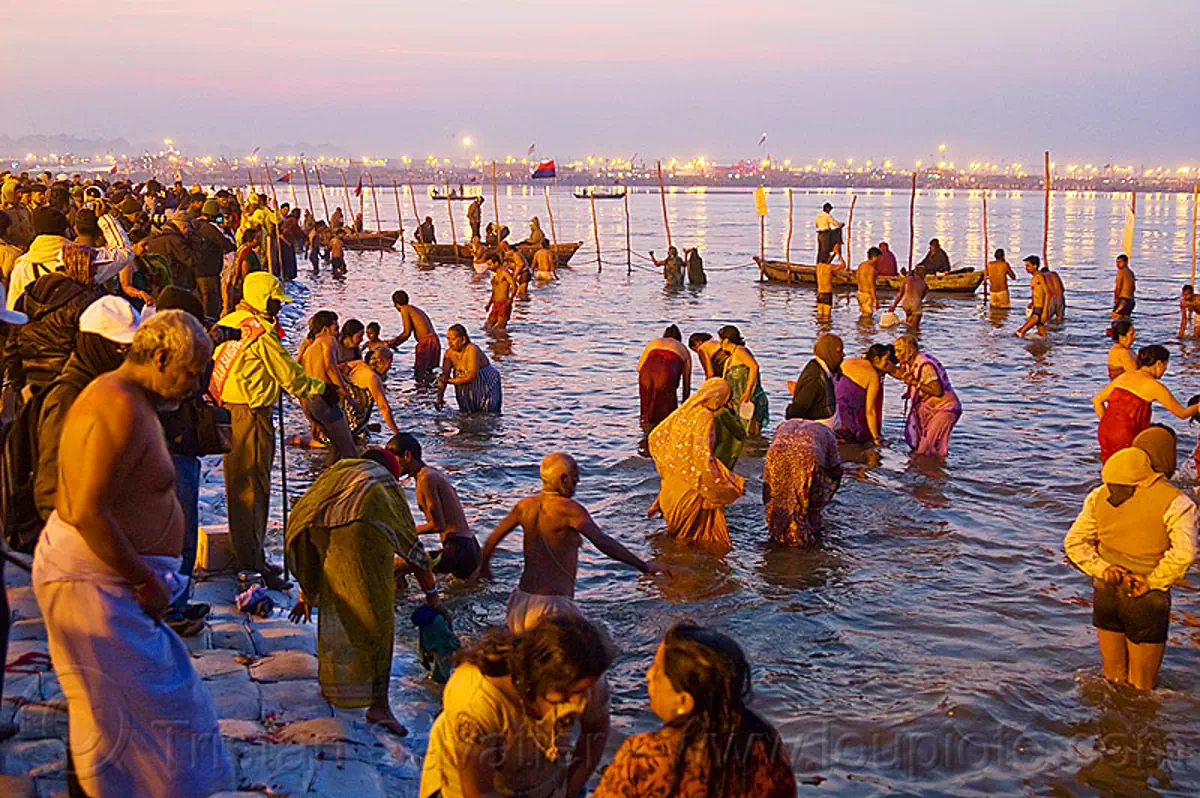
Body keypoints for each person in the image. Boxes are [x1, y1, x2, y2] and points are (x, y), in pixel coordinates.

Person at [33, 310, 234, 797]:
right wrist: (143, 578)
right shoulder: (114, 404)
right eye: (191, 372)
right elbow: (83, 507)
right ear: (161, 358)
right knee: (155, 717)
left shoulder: (132, 401)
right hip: (94, 584)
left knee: (116, 721)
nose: (197, 385)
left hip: (111, 583)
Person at [286, 450, 440, 736]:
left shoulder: (340, 471)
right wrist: (432, 595)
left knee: (339, 600)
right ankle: (378, 706)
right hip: (360, 531)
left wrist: (306, 591)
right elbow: (411, 547)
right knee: (377, 619)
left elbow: (305, 523)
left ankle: (333, 686)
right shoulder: (384, 484)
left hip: (314, 527)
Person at [214, 273, 332, 589]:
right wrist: (323, 390)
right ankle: (251, 565)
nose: (278, 309)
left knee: (240, 488)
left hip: (230, 413)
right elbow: (290, 377)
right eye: (276, 302)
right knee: (253, 490)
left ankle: (252, 556)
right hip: (251, 416)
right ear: (264, 300)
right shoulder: (260, 335)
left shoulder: (230, 323)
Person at [419, 616, 614, 798]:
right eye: (571, 694)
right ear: (539, 679)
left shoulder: (584, 674)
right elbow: (476, 791)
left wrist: (570, 791)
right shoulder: (478, 697)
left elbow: (595, 732)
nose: (582, 701)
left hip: (543, 781)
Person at [594, 624, 796, 798]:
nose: (648, 675)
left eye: (657, 669)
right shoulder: (764, 742)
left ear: (684, 701)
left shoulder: (646, 755)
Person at [1064, 426, 1197, 691]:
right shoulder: (1176, 502)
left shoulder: (1100, 494)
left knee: (1111, 678)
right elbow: (1185, 553)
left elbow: (1074, 542)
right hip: (1146, 597)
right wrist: (1152, 581)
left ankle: (1106, 726)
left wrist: (1103, 569)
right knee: (1143, 687)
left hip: (1106, 590)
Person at [478, 451, 667, 632]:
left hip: (519, 604)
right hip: (551, 607)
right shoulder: (569, 510)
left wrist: (485, 566)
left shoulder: (524, 506)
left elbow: (493, 538)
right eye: (575, 474)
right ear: (563, 479)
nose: (578, 480)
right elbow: (603, 542)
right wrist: (642, 565)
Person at [34, 296, 140, 523]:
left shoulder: (107, 387)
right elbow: (51, 484)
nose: (127, 358)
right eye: (122, 348)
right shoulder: (69, 395)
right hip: (78, 536)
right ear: (96, 344)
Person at [648, 378, 746, 548]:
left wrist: (669, 465)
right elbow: (703, 455)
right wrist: (721, 482)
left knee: (673, 541)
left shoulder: (684, 411)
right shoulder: (705, 416)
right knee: (698, 540)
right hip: (690, 487)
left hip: (671, 486)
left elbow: (655, 436)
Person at [388, 433, 480, 579]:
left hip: (457, 550)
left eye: (393, 460)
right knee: (462, 596)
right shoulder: (431, 473)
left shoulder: (426, 479)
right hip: (470, 547)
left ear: (407, 456)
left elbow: (438, 525)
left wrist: (404, 532)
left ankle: (400, 601)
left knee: (394, 567)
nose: (391, 466)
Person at [1093, 344, 1198, 463]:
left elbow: (1097, 400)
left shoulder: (1124, 376)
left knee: (1111, 467)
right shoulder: (1153, 385)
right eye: (1165, 366)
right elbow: (1181, 413)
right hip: (1127, 434)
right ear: (1159, 364)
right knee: (1131, 469)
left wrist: (1107, 422)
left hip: (1105, 430)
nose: (1164, 370)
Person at [763, 420, 842, 546]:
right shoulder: (827, 431)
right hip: (807, 455)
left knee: (777, 498)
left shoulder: (784, 424)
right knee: (804, 502)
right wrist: (827, 493)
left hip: (776, 452)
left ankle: (778, 534)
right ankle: (805, 534)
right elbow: (835, 468)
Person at [297, 311, 359, 459]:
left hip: (311, 401)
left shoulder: (309, 349)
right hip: (324, 398)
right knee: (349, 449)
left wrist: (311, 420)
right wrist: (348, 395)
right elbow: (330, 367)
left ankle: (323, 478)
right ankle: (351, 480)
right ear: (325, 329)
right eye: (335, 328)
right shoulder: (328, 341)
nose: (337, 333)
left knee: (335, 449)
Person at [894, 334, 961, 457]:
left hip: (945, 409)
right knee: (927, 446)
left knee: (927, 449)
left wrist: (915, 384)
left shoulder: (925, 365)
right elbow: (901, 374)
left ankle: (934, 472)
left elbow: (937, 391)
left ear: (910, 350)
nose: (897, 355)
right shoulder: (911, 363)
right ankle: (930, 471)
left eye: (899, 351)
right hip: (933, 408)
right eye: (895, 351)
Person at [837, 343, 896, 445]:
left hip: (832, 411)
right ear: (877, 359)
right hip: (846, 418)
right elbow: (870, 412)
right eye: (886, 361)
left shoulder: (848, 362)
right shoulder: (873, 377)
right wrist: (876, 438)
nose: (888, 364)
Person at [637, 324, 692, 431]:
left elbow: (639, 368)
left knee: (646, 410)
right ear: (679, 338)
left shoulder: (654, 342)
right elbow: (687, 382)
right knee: (666, 414)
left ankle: (644, 437)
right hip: (666, 373)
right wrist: (685, 408)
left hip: (646, 373)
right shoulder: (683, 349)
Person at [437, 323, 502, 413]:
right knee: (466, 413)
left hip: (484, 382)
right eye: (448, 339)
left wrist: (450, 381)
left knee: (488, 412)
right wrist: (439, 398)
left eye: (453, 339)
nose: (449, 342)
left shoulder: (472, 350)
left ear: (463, 340)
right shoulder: (449, 354)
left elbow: (471, 377)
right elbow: (444, 376)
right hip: (464, 384)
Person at [718, 325, 769, 436]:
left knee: (752, 435)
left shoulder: (740, 351)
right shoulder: (729, 359)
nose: (719, 344)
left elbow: (754, 367)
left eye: (720, 340)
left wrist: (747, 392)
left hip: (749, 399)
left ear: (726, 340)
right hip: (737, 401)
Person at [785, 333, 842, 427]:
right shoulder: (815, 377)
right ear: (829, 352)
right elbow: (799, 409)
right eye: (839, 351)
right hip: (816, 431)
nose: (843, 355)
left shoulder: (825, 371)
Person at [193, 198, 237, 318]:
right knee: (211, 307)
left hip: (196, 271)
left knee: (200, 304)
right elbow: (228, 245)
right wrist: (226, 230)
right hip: (208, 272)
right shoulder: (209, 228)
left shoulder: (195, 224)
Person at [387, 289, 441, 374]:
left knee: (420, 372)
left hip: (426, 342)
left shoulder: (405, 309)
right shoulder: (414, 309)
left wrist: (392, 343)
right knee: (430, 372)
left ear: (395, 303)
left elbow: (406, 333)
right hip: (435, 341)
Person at [1015, 255, 1049, 338]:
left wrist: (1045, 311)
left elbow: (1047, 293)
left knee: (1020, 332)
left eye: (1028, 266)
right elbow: (1037, 293)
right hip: (1036, 307)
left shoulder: (1039, 277)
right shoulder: (1034, 278)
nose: (1026, 268)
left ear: (1035, 266)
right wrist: (1032, 303)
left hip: (1039, 310)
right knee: (1042, 335)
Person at [485, 254, 517, 329]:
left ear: (496, 263)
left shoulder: (504, 273)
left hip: (504, 303)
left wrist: (510, 299)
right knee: (487, 327)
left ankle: (503, 340)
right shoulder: (494, 276)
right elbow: (494, 291)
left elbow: (514, 286)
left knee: (500, 328)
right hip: (495, 304)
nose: (488, 267)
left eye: (490, 265)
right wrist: (489, 304)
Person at [855, 246, 880, 317]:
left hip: (859, 293)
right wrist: (875, 300)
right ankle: (866, 328)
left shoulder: (861, 265)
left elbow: (857, 278)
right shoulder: (870, 269)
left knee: (863, 313)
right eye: (878, 257)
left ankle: (860, 328)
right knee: (867, 317)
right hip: (867, 294)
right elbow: (871, 285)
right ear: (875, 257)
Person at [1112, 254, 1136, 319]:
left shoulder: (1121, 272)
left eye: (1119, 262)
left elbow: (1118, 287)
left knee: (1114, 317)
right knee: (1125, 321)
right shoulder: (1131, 272)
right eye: (1117, 262)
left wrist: (1116, 298)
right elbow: (1134, 288)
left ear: (1125, 262)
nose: (1117, 265)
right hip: (1131, 301)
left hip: (1123, 300)